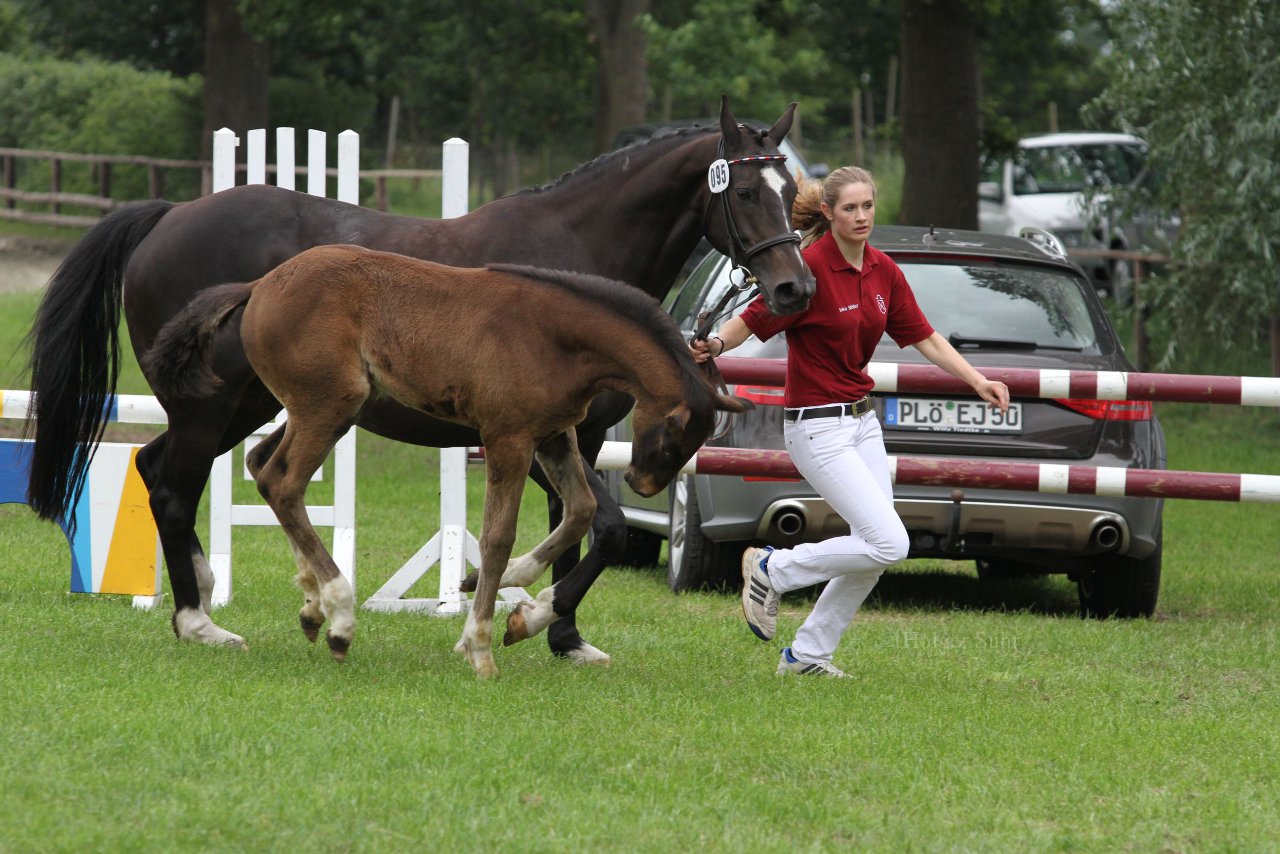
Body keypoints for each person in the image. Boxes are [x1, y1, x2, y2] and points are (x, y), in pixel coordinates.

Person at [690, 166, 1010, 677]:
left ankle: (807, 656)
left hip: (863, 424)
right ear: (828, 214)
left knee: (875, 549)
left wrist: (977, 379)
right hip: (816, 429)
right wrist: (715, 345)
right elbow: (752, 319)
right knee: (891, 542)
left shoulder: (884, 270)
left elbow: (925, 337)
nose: (861, 217)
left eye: (867, 206)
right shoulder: (807, 268)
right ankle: (773, 567)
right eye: (849, 209)